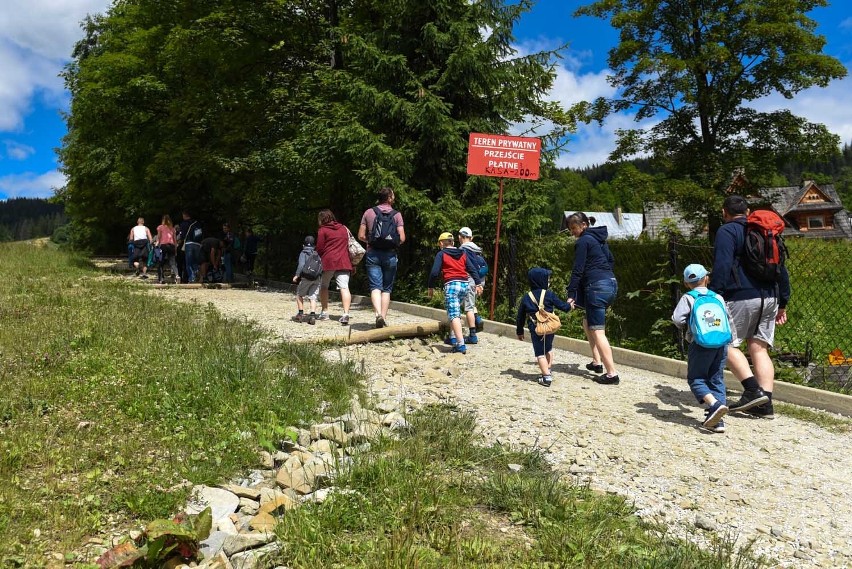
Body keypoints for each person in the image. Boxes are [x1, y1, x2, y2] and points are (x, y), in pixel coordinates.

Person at [710, 195, 788, 418]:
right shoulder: (765, 230)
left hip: (741, 295)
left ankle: (753, 391)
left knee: (725, 344)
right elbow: (781, 267)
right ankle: (765, 405)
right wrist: (783, 301)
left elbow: (723, 264)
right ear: (748, 210)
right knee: (759, 348)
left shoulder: (727, 231)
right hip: (770, 296)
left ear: (724, 212)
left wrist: (714, 295)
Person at [672, 264, 730, 433]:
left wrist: (689, 326)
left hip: (700, 343)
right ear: (706, 278)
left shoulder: (688, 298)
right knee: (716, 379)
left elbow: (677, 319)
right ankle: (717, 422)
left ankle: (714, 405)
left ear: (686, 283)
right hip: (721, 343)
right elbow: (727, 318)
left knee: (696, 379)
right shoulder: (718, 297)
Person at [565, 212, 620, 385]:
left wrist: (571, 293)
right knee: (587, 322)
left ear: (583, 225)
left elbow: (578, 269)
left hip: (596, 287)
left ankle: (612, 373)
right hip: (610, 283)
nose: (572, 232)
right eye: (570, 229)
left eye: (574, 228)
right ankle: (597, 362)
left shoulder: (583, 241)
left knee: (597, 330)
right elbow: (610, 260)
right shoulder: (599, 240)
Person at [427, 232, 484, 354]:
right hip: (465, 285)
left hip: (452, 285)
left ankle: (460, 344)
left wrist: (430, 287)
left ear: (441, 243)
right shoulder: (462, 253)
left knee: (454, 315)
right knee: (456, 312)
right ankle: (452, 338)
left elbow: (434, 272)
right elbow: (471, 268)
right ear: (453, 242)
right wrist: (478, 284)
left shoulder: (441, 254)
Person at [516, 268, 573, 387]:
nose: (549, 282)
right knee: (548, 348)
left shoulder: (527, 297)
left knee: (539, 353)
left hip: (536, 328)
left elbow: (520, 316)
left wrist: (520, 331)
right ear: (541, 281)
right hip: (550, 327)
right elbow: (563, 307)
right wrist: (569, 305)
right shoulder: (549, 294)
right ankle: (548, 370)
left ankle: (546, 377)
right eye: (547, 280)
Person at [358, 187, 405, 328]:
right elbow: (402, 238)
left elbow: (361, 235)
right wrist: (392, 243)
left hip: (373, 253)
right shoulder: (397, 215)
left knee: (375, 287)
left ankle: (378, 314)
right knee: (387, 288)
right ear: (389, 198)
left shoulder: (369, 212)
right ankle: (383, 318)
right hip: (390, 254)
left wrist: (371, 241)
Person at [316, 209, 354, 325]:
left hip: (329, 262)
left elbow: (320, 248)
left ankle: (325, 312)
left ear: (321, 220)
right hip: (343, 261)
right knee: (344, 287)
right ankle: (346, 313)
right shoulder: (343, 228)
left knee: (324, 286)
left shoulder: (323, 230)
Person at [458, 226, 486, 338]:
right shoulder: (476, 249)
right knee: (470, 301)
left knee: (468, 306)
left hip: (471, 279)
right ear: (471, 237)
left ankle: (473, 334)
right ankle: (477, 319)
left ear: (460, 237)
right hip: (480, 279)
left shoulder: (463, 249)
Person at [292, 236, 321, 325]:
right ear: (314, 245)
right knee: (313, 297)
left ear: (303, 244)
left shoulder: (303, 253)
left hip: (306, 277)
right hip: (317, 278)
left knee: (299, 294)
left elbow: (301, 265)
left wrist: (297, 275)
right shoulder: (317, 253)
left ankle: (300, 314)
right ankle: (312, 315)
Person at [178, 211, 202, 283]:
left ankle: (192, 278)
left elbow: (182, 236)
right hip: (197, 244)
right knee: (195, 261)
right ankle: (197, 271)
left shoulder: (183, 224)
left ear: (185, 215)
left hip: (189, 243)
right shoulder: (197, 223)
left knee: (189, 263)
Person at [155, 214, 180, 284]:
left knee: (160, 263)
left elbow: (159, 238)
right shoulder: (172, 228)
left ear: (163, 220)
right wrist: (175, 249)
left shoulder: (160, 227)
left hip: (163, 246)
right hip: (171, 246)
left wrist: (156, 245)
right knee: (173, 263)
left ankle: (161, 279)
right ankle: (177, 276)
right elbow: (175, 240)